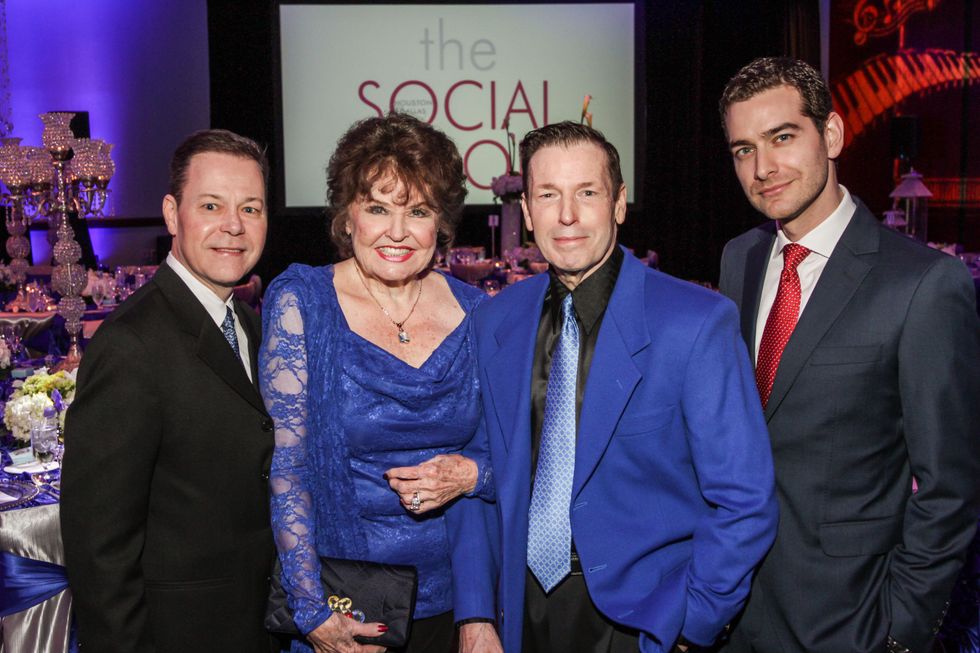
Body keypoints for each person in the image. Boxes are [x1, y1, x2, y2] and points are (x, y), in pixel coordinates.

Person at [451, 121, 779, 653]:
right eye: (548, 195)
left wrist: (688, 624)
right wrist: (475, 611)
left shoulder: (695, 323)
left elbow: (745, 500)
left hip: (640, 620)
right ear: (527, 211)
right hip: (519, 610)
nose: (567, 216)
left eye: (587, 192)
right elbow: (473, 465)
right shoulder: (497, 319)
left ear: (619, 203)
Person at [717, 57, 980, 653]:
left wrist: (899, 633)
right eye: (742, 149)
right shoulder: (740, 258)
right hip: (733, 614)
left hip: (848, 621)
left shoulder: (923, 284)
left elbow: (951, 490)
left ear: (830, 134)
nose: (763, 168)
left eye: (783, 137)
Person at [260, 113, 492, 653]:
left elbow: (508, 457)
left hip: (463, 604)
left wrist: (470, 473)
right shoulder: (304, 303)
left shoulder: (480, 312)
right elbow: (287, 470)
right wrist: (311, 610)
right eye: (377, 208)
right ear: (347, 217)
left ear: (443, 224)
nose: (396, 231)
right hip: (349, 603)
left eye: (418, 211)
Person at [61, 129, 276, 652]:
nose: (234, 226)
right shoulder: (130, 345)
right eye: (211, 205)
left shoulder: (252, 326)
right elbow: (99, 550)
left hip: (255, 628)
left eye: (251, 208)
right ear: (171, 213)